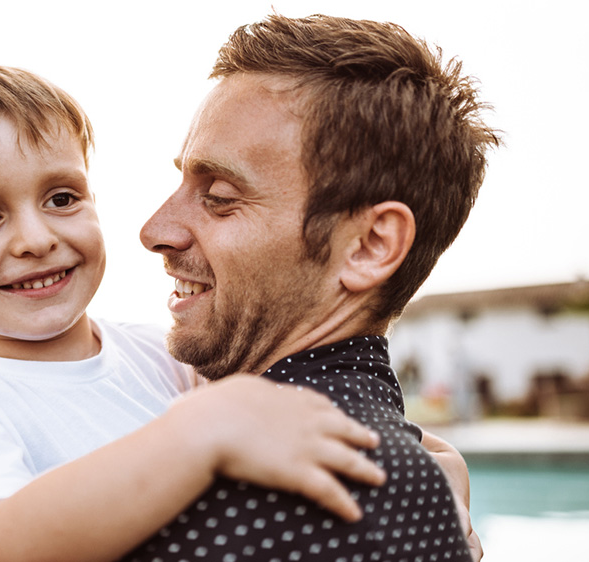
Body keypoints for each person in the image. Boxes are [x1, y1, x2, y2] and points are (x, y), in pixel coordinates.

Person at [0, 64, 392, 562]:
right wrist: (195, 432)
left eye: (62, 198)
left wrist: (427, 460)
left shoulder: (162, 356)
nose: (37, 239)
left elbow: (291, 422)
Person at [125, 12, 500, 562]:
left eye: (221, 197)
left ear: (370, 245)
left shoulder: (270, 492)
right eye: (182, 181)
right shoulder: (413, 473)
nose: (154, 230)